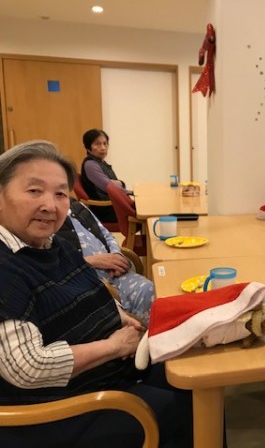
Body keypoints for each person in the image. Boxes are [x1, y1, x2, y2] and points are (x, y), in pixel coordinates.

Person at [0, 141, 200, 448]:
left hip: (107, 374)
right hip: (54, 412)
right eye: (34, 191)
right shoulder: (6, 267)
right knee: (188, 411)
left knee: (197, 379)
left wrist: (121, 318)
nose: (50, 205)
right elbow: (27, 367)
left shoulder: (53, 245)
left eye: (60, 194)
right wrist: (112, 346)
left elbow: (90, 291)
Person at [56, 198, 154, 325]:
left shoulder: (78, 206)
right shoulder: (47, 221)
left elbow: (107, 235)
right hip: (89, 284)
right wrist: (93, 261)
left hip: (117, 274)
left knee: (151, 291)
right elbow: (52, 266)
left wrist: (116, 255)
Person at [80, 128, 130, 223]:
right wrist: (127, 190)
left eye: (105, 143)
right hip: (104, 210)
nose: (103, 147)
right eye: (97, 144)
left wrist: (121, 184)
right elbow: (109, 186)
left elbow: (113, 184)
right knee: (141, 210)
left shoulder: (101, 162)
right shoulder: (90, 164)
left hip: (113, 205)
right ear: (88, 147)